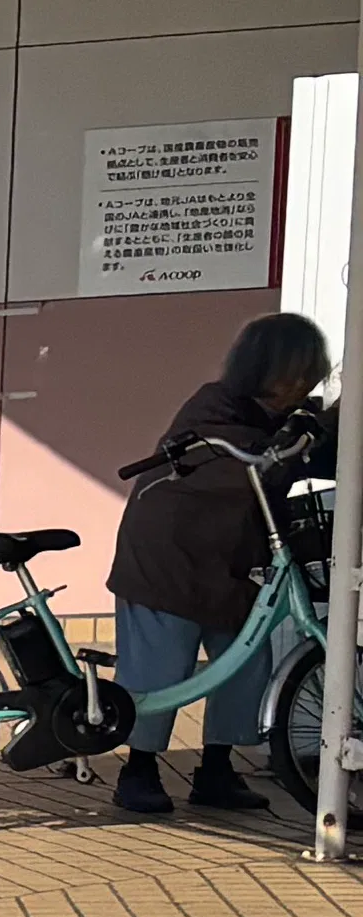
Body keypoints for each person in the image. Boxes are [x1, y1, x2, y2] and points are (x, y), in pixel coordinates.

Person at [101, 309, 333, 815]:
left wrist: (322, 425)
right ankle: (138, 769)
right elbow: (254, 461)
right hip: (168, 556)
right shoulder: (214, 405)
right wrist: (294, 437)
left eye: (309, 375)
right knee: (159, 667)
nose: (302, 385)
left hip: (233, 557)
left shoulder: (285, 416)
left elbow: (308, 453)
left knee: (245, 661)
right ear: (264, 367)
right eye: (295, 373)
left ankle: (217, 768)